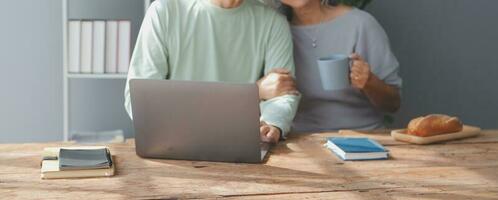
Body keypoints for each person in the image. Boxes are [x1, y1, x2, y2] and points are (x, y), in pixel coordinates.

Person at [124, 0, 301, 143]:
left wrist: (272, 124)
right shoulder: (164, 12)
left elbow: (283, 92)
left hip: (240, 142)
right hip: (175, 145)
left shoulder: (273, 22)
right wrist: (253, 91)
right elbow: (140, 100)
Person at [259, 0, 402, 132]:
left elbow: (393, 104)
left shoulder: (360, 24)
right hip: (301, 141)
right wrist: (259, 89)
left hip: (362, 138)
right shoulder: (273, 31)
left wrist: (369, 82)